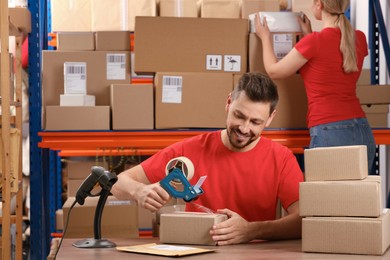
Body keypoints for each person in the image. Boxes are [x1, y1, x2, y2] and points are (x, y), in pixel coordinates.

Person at [111, 72, 304, 245]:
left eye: (256, 122)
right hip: (195, 251)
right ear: (229, 102)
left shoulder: (281, 158)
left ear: (270, 118)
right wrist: (138, 191)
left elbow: (303, 221)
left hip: (254, 255)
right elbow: (117, 183)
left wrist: (252, 230)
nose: (244, 129)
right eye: (239, 115)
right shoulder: (189, 150)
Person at [255, 0, 376, 175]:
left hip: (329, 129)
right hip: (361, 128)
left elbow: (274, 71)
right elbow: (331, 64)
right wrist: (308, 34)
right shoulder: (359, 38)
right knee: (356, 199)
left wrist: (265, 37)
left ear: (319, 4)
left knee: (324, 200)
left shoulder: (315, 42)